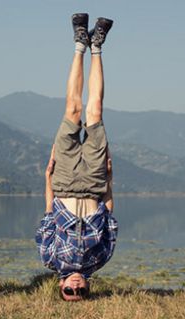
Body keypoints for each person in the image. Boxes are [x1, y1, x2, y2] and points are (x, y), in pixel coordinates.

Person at [36, 13, 118, 301]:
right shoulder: (100, 259)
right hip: (95, 183)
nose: (74, 285)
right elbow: (108, 214)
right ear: (87, 288)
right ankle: (97, 46)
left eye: (69, 291)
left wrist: (47, 178)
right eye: (79, 291)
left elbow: (49, 213)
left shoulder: (50, 258)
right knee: (94, 112)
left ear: (60, 287)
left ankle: (79, 42)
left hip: (65, 181)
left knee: (72, 110)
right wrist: (109, 179)